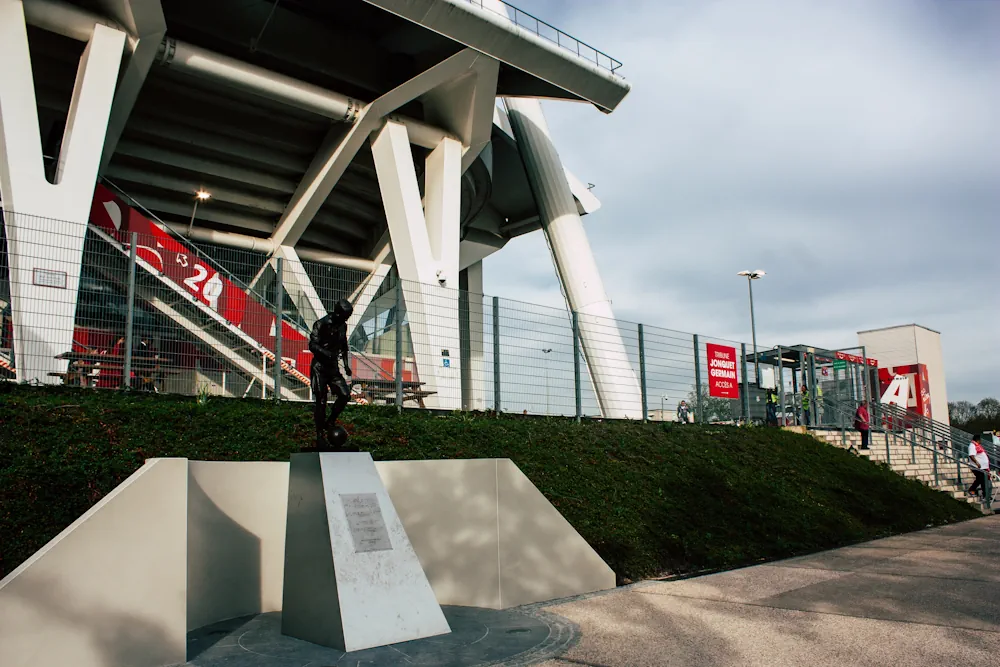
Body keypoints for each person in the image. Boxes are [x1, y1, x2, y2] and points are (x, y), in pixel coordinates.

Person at [309, 298, 354, 449]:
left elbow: (344, 347)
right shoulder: (321, 324)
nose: (346, 319)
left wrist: (347, 366)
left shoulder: (343, 326)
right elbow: (312, 344)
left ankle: (330, 421)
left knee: (345, 395)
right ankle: (319, 434)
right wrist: (326, 353)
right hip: (320, 368)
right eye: (345, 316)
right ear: (337, 313)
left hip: (333, 368)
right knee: (321, 401)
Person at [967, 434, 990, 500]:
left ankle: (985, 495)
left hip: (982, 467)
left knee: (981, 480)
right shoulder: (972, 446)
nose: (981, 441)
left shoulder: (977, 446)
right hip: (977, 467)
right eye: (980, 440)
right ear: (978, 440)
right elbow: (971, 455)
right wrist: (977, 463)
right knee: (981, 480)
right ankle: (983, 494)